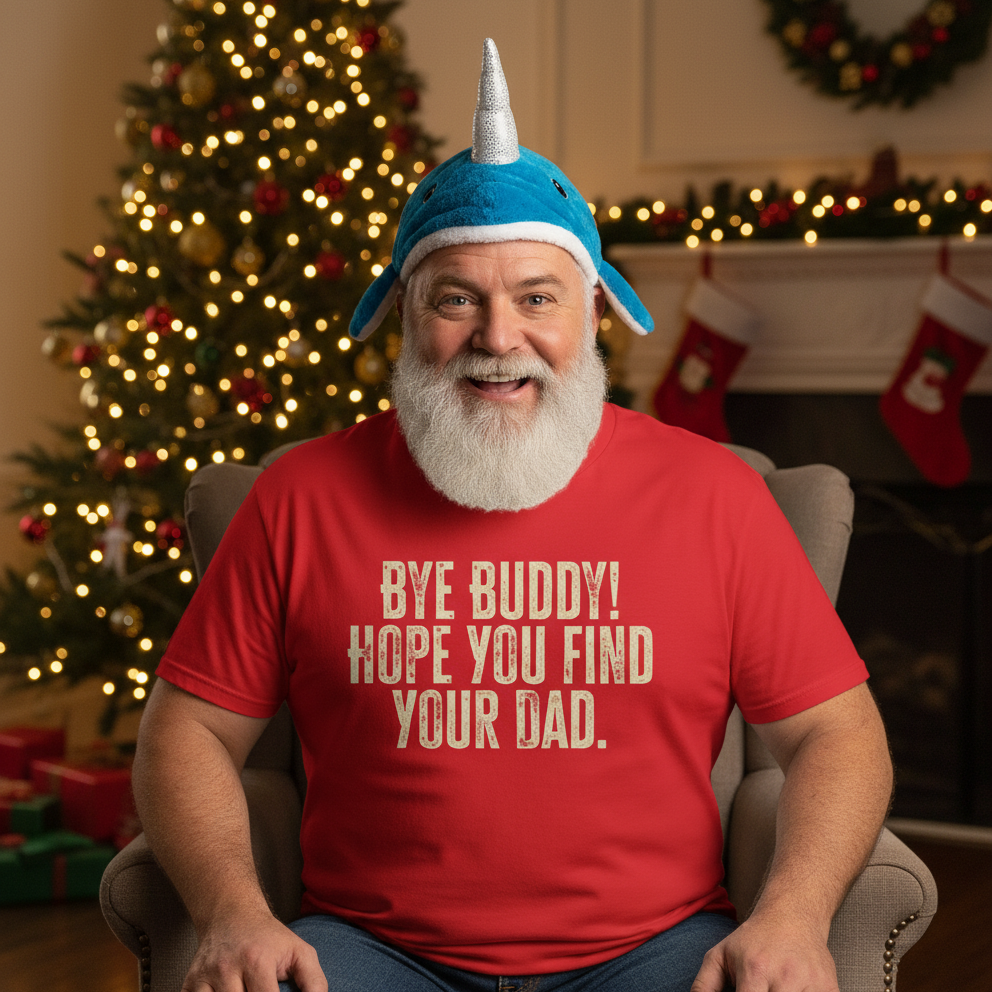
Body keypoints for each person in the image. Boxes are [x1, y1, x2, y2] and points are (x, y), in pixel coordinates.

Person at [133, 40, 893, 992]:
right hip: (368, 953)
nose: (499, 338)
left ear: (594, 312)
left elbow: (839, 735)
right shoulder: (299, 498)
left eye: (538, 297)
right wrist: (233, 914)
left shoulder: (716, 497)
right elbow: (185, 733)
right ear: (405, 316)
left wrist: (793, 915)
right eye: (457, 299)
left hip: (656, 952)